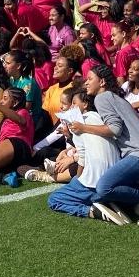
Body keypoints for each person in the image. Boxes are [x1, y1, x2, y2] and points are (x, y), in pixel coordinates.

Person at [68, 65, 139, 225]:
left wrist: (83, 128)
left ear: (102, 82)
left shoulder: (102, 98)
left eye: (90, 79)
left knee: (104, 187)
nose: (86, 83)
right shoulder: (115, 97)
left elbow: (114, 129)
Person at [47, 85, 122, 220]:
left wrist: (78, 179)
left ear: (85, 104)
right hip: (115, 179)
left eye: (74, 104)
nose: (71, 108)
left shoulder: (78, 123)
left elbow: (82, 158)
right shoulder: (101, 118)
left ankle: (92, 210)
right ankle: (108, 202)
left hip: (95, 184)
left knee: (54, 199)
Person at [42, 56, 79, 124]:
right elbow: (45, 112)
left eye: (60, 66)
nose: (55, 68)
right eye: (55, 65)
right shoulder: (51, 89)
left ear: (70, 71)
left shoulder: (74, 89)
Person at [110, 20, 139, 85]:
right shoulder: (133, 49)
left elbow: (121, 77)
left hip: (126, 87)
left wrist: (122, 93)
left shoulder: (122, 53)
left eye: (114, 35)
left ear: (123, 34)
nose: (112, 38)